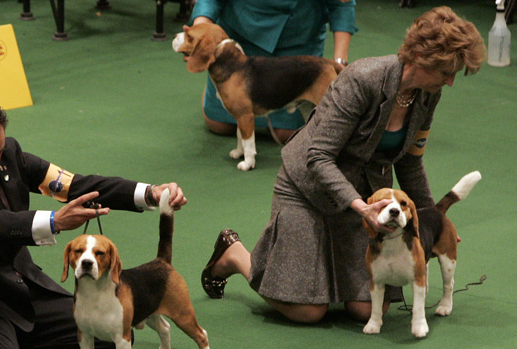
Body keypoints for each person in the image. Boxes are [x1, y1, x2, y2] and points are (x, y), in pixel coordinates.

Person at [200, 6, 486, 324]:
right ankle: (235, 254)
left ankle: (323, 276)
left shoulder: (427, 94)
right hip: (306, 187)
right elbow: (318, 156)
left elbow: (409, 161)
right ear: (422, 58)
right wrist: (361, 208)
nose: (450, 82)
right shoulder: (362, 79)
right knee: (307, 311)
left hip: (363, 193)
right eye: (447, 72)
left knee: (366, 308)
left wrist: (431, 220)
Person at [0, 95, 188, 349]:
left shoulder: (10, 154)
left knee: (111, 336)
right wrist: (54, 221)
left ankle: (15, 333)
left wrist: (150, 193)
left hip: (24, 287)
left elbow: (77, 186)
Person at [190, 0, 356, 144]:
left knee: (288, 134)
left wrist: (340, 62)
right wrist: (198, 34)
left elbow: (341, 4)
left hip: (296, 49)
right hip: (239, 46)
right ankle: (219, 92)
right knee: (220, 125)